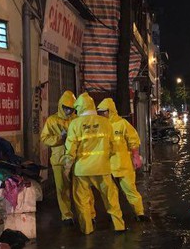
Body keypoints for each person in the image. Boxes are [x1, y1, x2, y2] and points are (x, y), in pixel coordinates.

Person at [64, 93, 125, 235]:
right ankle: (119, 226)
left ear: (78, 107)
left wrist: (67, 169)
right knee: (111, 198)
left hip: (82, 171)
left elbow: (70, 150)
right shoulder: (106, 122)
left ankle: (87, 229)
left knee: (82, 201)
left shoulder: (75, 123)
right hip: (102, 168)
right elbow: (113, 146)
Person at [97, 98, 149, 221]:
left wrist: (136, 157)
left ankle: (139, 213)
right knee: (110, 193)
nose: (102, 114)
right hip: (107, 165)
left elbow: (133, 141)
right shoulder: (99, 125)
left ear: (110, 111)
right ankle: (115, 217)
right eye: (100, 112)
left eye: (104, 111)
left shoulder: (122, 123)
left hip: (123, 164)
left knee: (130, 190)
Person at [39, 91, 76, 224]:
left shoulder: (76, 120)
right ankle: (67, 215)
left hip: (75, 159)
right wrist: (60, 138)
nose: (68, 110)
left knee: (79, 188)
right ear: (61, 106)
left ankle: (86, 214)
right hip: (59, 160)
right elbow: (44, 138)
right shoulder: (52, 120)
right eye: (66, 108)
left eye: (71, 108)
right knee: (62, 189)